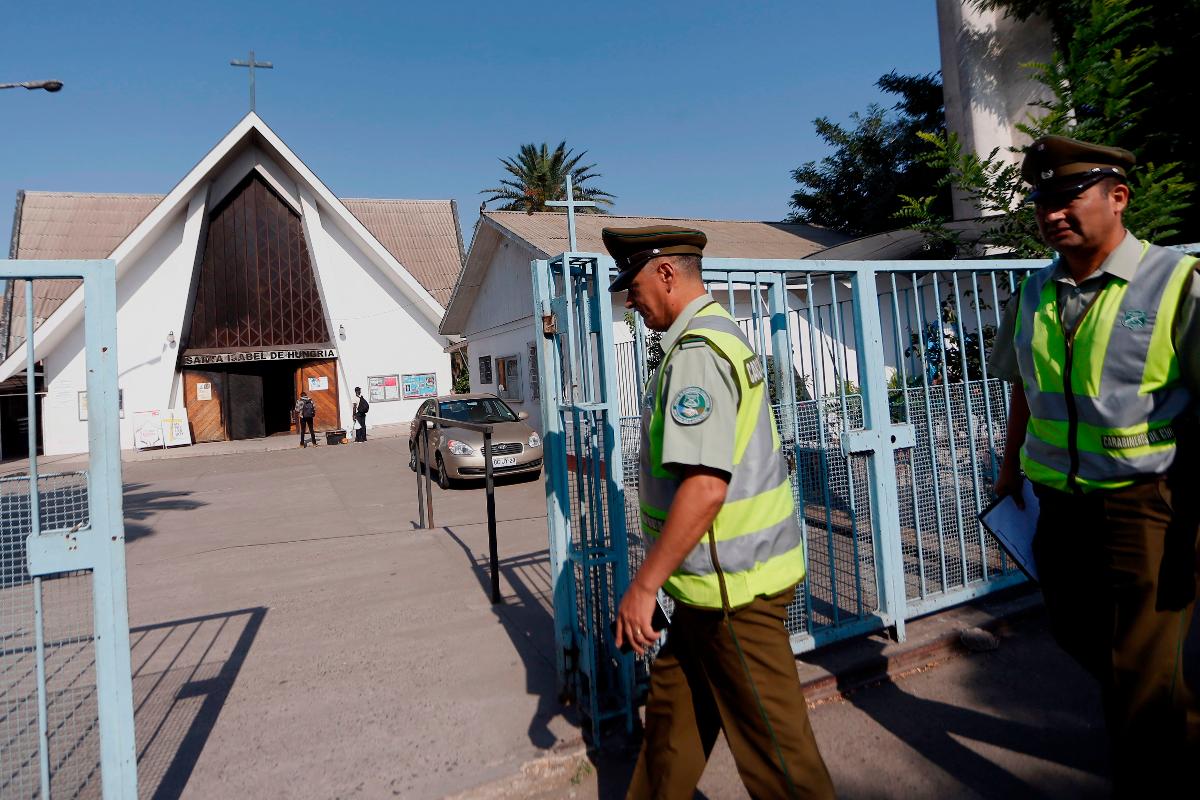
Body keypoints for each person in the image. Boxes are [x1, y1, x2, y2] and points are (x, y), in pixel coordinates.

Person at [991, 135, 1199, 793]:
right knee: (1079, 633)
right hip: (1059, 504)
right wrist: (1008, 472)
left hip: (1148, 505)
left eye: (1068, 198)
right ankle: (1176, 727)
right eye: (1041, 202)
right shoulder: (1033, 292)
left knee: (1139, 674)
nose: (1052, 213)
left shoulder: (1175, 282)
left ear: (1118, 198)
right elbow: (1023, 387)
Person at [605, 225, 834, 799]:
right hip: (709, 592)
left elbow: (705, 488)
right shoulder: (717, 334)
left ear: (665, 274)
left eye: (633, 286)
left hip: (735, 596)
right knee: (671, 730)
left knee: (781, 764)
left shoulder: (698, 356)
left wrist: (644, 586)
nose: (629, 301)